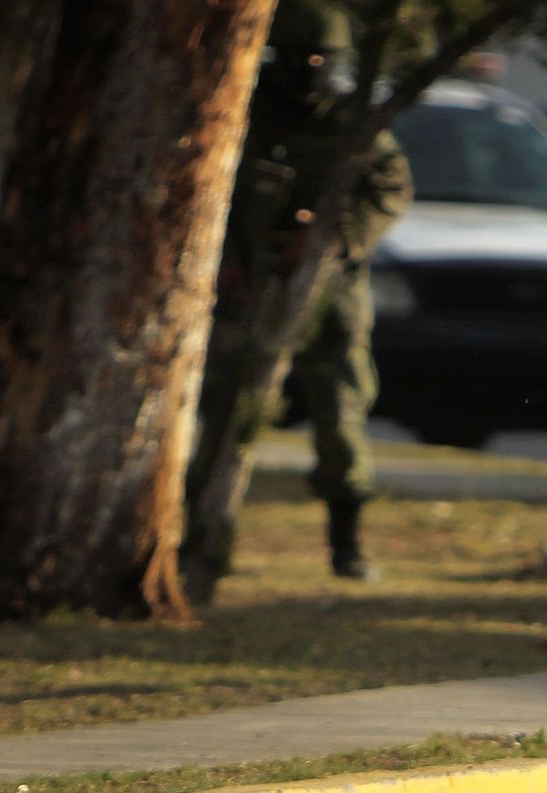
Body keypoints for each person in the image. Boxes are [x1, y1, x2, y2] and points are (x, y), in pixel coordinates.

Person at [212, 0, 413, 581]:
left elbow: (390, 190)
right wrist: (226, 261)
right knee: (228, 415)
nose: (311, 66)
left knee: (341, 417)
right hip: (249, 287)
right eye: (299, 56)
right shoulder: (247, 110)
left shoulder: (354, 123)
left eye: (324, 57)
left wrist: (333, 243)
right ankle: (206, 539)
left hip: (330, 293)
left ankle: (347, 547)